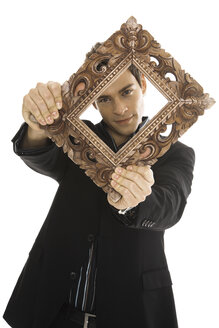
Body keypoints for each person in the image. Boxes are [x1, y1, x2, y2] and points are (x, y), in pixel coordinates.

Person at [3, 46, 195, 328]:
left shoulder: (176, 153)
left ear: (143, 84)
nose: (119, 109)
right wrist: (37, 125)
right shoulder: (79, 139)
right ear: (92, 102)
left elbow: (170, 205)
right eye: (104, 98)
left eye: (126, 92)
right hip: (50, 308)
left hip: (129, 311)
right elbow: (42, 154)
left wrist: (135, 200)